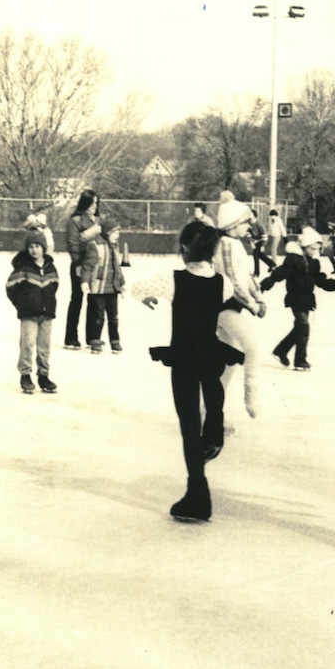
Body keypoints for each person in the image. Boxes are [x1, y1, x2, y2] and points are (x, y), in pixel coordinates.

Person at [132, 221, 244, 522]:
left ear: (184, 249)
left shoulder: (172, 278)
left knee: (189, 424)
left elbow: (137, 287)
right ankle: (215, 432)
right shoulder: (224, 282)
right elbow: (230, 307)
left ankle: (198, 493)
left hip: (183, 356)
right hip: (209, 354)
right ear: (213, 251)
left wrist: (147, 299)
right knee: (211, 394)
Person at [213, 195, 268, 419]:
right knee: (253, 346)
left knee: (228, 363)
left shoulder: (235, 245)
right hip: (222, 307)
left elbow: (245, 275)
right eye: (246, 223)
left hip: (231, 307)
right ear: (233, 224)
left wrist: (257, 293)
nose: (249, 227)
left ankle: (209, 412)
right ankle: (251, 395)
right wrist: (254, 305)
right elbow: (233, 282)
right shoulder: (225, 245)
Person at [259, 227, 335, 371]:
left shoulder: (314, 262)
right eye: (312, 248)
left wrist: (334, 285)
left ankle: (281, 350)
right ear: (305, 246)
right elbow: (281, 272)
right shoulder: (293, 259)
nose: (314, 251)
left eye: (316, 249)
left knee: (299, 328)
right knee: (304, 327)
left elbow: (319, 279)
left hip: (307, 298)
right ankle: (300, 361)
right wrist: (268, 283)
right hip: (295, 297)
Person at [6, 227, 60, 394]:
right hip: (29, 313)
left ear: (43, 248)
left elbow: (54, 285)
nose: (34, 250)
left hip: (47, 313)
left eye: (37, 246)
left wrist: (48, 302)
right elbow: (11, 287)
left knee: (44, 345)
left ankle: (43, 375)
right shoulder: (23, 267)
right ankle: (26, 374)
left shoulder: (51, 267)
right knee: (28, 343)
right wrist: (22, 304)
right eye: (31, 247)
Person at [79, 216, 126, 354]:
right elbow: (87, 266)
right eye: (116, 233)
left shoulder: (114, 247)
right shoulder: (95, 246)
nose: (118, 236)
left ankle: (115, 341)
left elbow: (117, 268)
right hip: (98, 288)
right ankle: (95, 340)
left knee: (113, 316)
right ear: (108, 233)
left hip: (112, 288)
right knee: (98, 316)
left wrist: (122, 284)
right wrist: (84, 281)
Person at [63, 189, 102, 350]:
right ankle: (71, 337)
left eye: (96, 203)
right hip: (80, 264)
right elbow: (72, 245)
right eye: (92, 203)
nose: (94, 206)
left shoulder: (98, 220)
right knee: (77, 300)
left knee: (95, 301)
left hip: (95, 265)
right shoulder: (75, 221)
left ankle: (92, 337)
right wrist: (78, 264)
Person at [246, 211, 273, 278]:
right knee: (260, 255)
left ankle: (256, 273)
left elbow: (264, 235)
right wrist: (251, 242)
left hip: (261, 241)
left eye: (250, 214)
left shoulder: (259, 223)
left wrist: (263, 245)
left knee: (256, 256)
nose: (249, 215)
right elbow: (248, 234)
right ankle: (272, 264)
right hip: (255, 241)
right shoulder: (249, 223)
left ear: (254, 215)